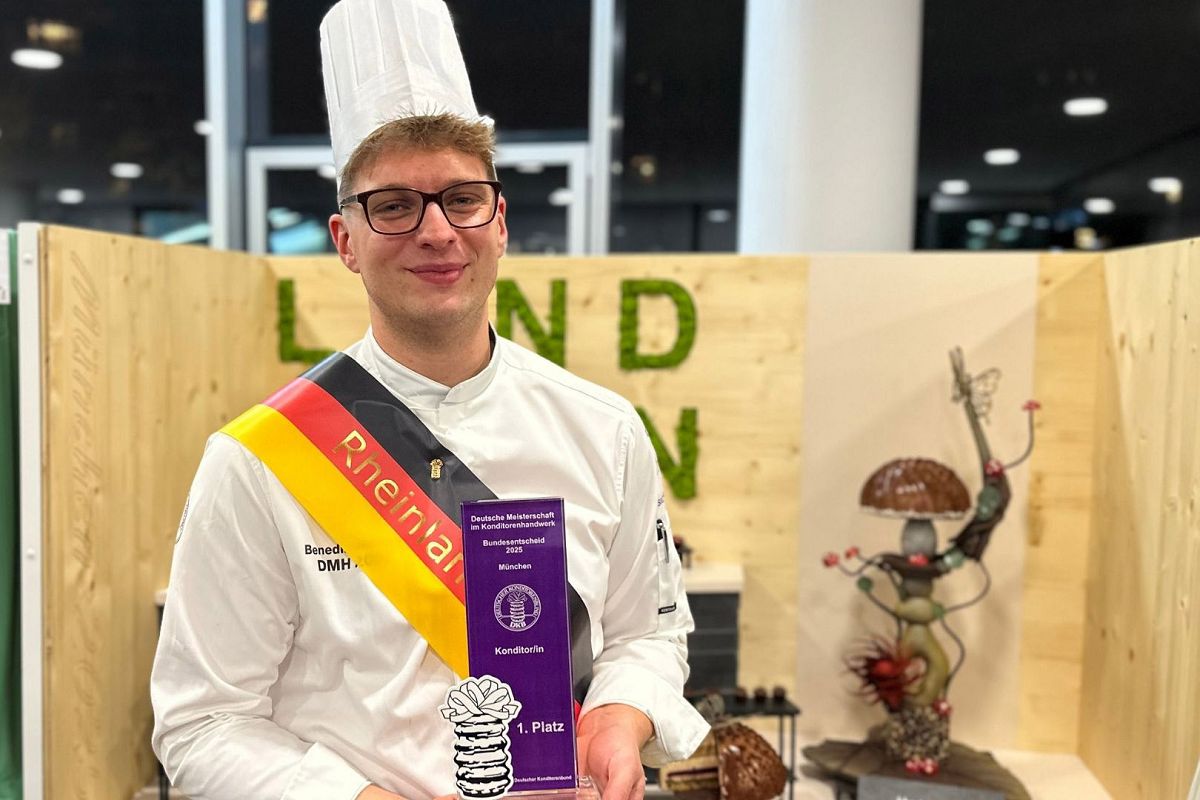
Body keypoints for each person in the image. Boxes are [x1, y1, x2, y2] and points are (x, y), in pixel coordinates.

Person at [149, 2, 707, 798]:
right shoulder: (257, 463)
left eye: (462, 198)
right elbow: (201, 723)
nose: (437, 231)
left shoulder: (604, 431)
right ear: (345, 239)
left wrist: (619, 717)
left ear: (500, 221)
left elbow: (650, 633)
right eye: (394, 204)